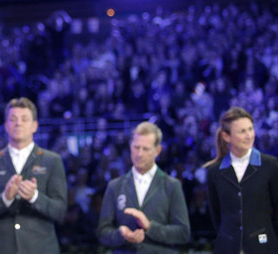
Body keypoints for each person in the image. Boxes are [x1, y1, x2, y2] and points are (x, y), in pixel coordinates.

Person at [0, 97, 67, 254]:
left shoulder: (52, 161)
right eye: (13, 119)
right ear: (6, 126)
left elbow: (60, 212)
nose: (18, 123)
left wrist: (34, 197)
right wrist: (4, 199)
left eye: (24, 119)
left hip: (41, 249)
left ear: (34, 126)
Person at [97, 121, 191, 253]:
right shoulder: (115, 186)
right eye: (136, 147)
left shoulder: (172, 186)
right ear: (130, 147)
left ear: (157, 151)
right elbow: (103, 232)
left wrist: (150, 227)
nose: (139, 154)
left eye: (145, 149)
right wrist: (121, 234)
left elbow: (183, 233)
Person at [204, 106, 278, 253]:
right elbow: (216, 215)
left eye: (250, 129)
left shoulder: (270, 165)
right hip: (228, 248)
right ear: (226, 136)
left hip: (264, 248)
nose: (249, 135)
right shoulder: (214, 172)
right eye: (242, 131)